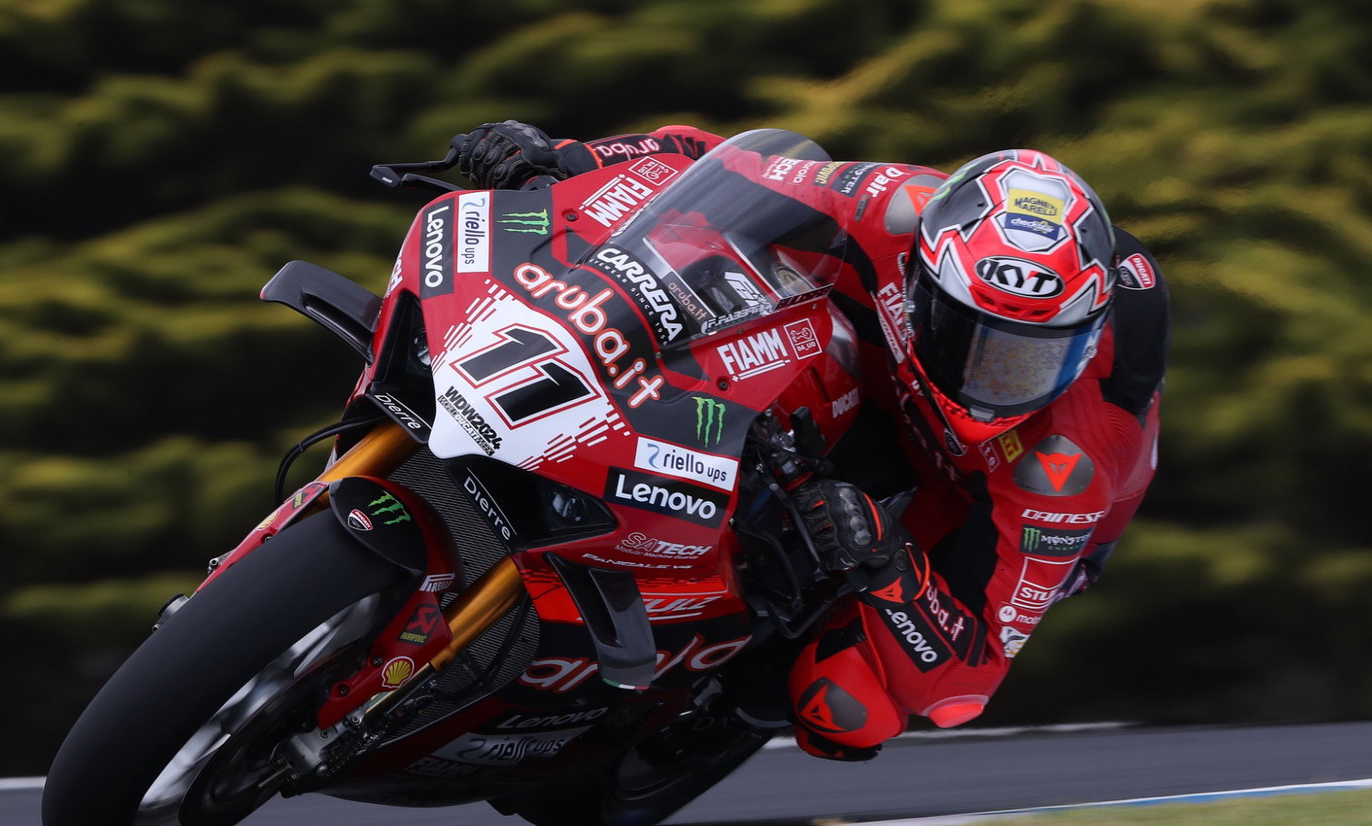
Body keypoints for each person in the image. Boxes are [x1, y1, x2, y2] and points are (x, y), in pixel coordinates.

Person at [451, 121, 1168, 761]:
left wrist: (886, 562)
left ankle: (725, 707)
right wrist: (565, 158)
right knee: (751, 287)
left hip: (967, 498)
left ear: (1087, 333)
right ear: (924, 273)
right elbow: (709, 161)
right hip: (878, 383)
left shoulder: (1067, 464)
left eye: (1030, 357)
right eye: (974, 338)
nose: (995, 379)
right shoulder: (892, 207)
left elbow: (965, 680)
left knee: (849, 706)